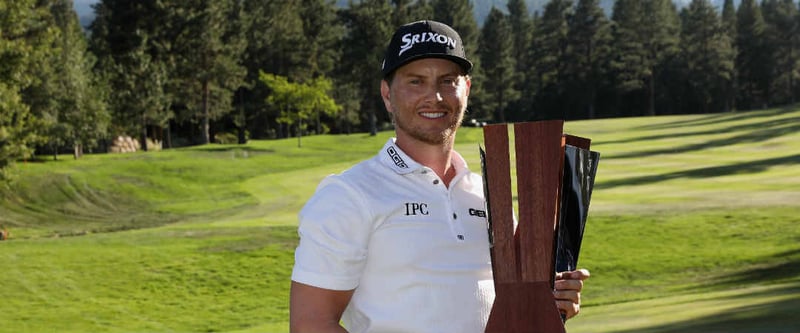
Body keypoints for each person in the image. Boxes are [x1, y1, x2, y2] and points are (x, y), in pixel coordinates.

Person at [290, 20, 590, 333]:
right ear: (387, 95)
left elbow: (516, 308)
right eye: (416, 82)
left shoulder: (488, 195)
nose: (434, 96)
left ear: (467, 89)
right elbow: (310, 323)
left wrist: (552, 302)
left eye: (448, 81)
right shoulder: (349, 194)